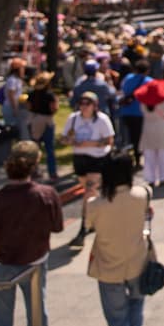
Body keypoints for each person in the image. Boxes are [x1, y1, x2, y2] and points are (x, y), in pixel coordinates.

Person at [0, 141, 64, 326]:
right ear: (35, 164)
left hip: (1, 263)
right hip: (35, 263)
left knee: (1, 319)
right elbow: (57, 227)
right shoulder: (46, 195)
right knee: (38, 314)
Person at [86, 152, 150, 326]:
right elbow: (146, 193)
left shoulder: (96, 204)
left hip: (108, 266)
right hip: (137, 262)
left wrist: (93, 192)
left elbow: (88, 225)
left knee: (116, 318)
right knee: (136, 310)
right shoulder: (142, 195)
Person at [61, 91, 115, 249]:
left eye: (87, 104)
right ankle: (95, 218)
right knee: (89, 191)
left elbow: (109, 141)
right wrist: (70, 141)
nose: (84, 107)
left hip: (96, 159)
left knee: (89, 192)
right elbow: (64, 137)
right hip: (80, 159)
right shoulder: (73, 119)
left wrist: (90, 144)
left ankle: (83, 229)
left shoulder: (102, 120)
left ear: (94, 106)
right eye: (82, 103)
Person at [135, 79, 164, 187]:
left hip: (148, 129)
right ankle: (163, 177)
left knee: (149, 156)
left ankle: (150, 178)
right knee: (163, 155)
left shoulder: (143, 103)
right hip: (162, 129)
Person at [26, 72, 60, 182]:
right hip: (47, 121)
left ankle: (34, 172)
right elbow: (53, 108)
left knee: (35, 148)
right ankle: (52, 173)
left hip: (34, 120)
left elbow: (28, 106)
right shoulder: (50, 95)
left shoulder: (31, 93)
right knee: (49, 148)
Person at [119, 60, 150, 170]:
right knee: (140, 138)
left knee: (130, 138)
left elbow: (122, 90)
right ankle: (138, 161)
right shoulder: (148, 81)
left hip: (126, 112)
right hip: (140, 114)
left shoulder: (127, 78)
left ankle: (132, 159)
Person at [3, 58, 28, 140]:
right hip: (10, 107)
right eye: (22, 67)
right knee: (11, 128)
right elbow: (11, 95)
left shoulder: (17, 80)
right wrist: (15, 108)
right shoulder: (12, 80)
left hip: (15, 106)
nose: (24, 69)